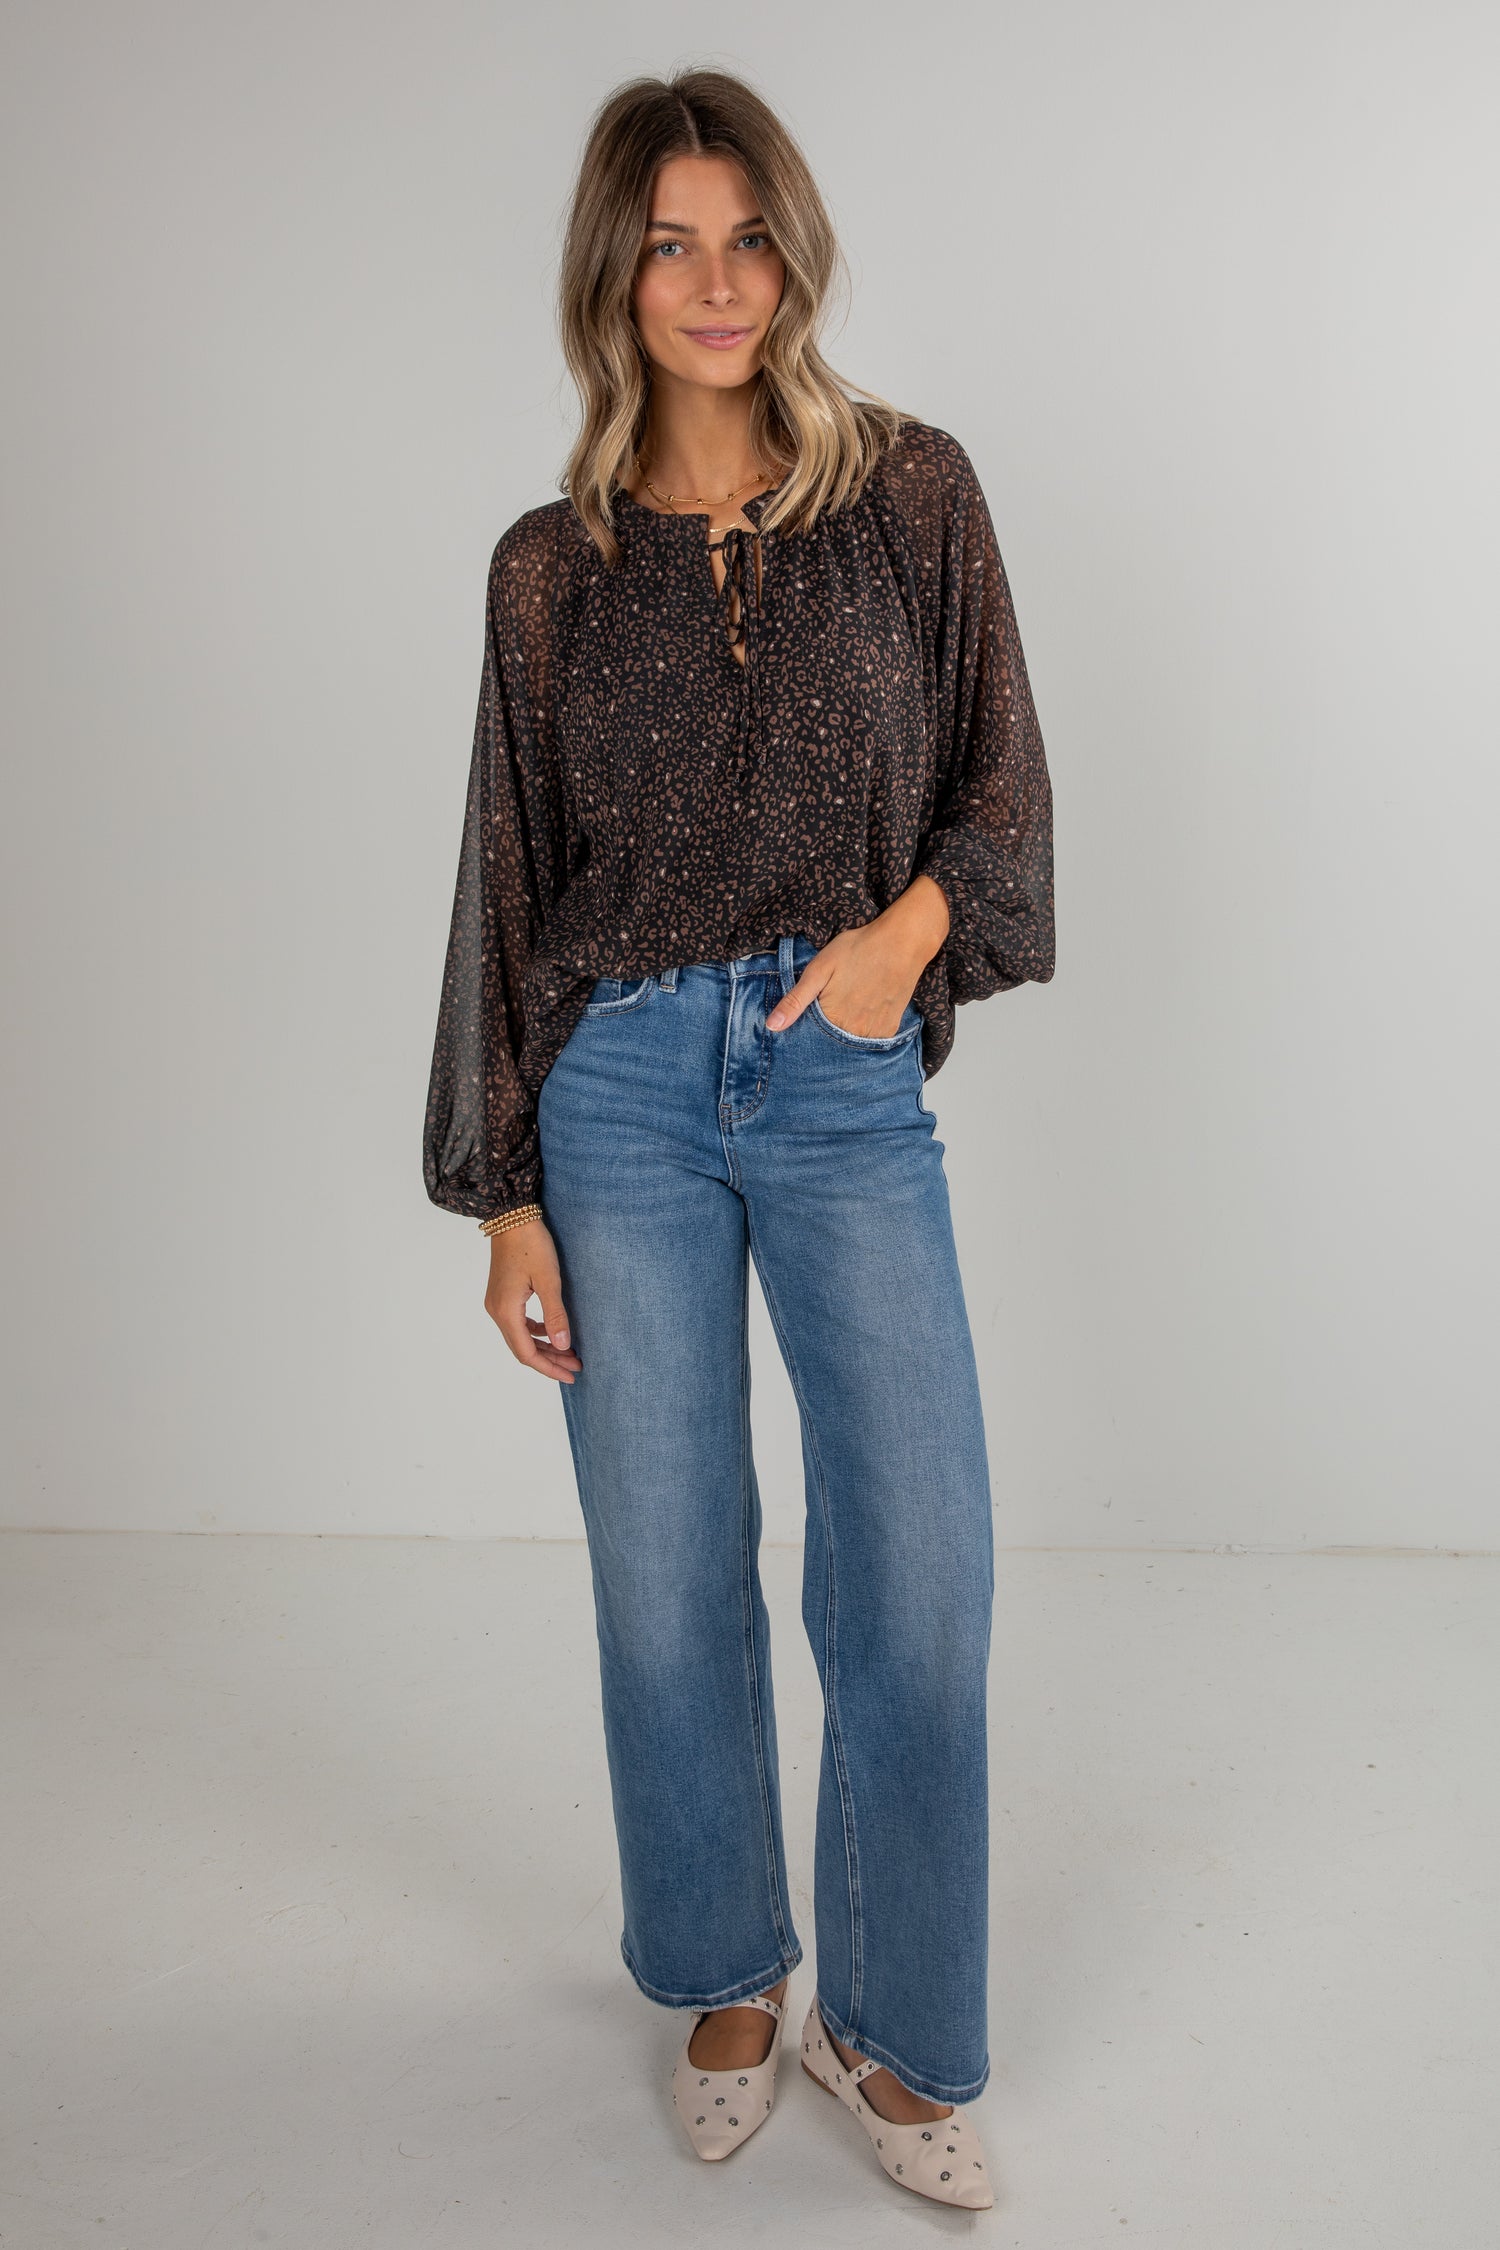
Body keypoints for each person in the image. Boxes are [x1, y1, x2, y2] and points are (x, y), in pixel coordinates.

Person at [422, 67, 1055, 2211]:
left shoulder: (915, 500)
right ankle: (720, 1974)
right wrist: (503, 1185)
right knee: (668, 1568)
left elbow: (1005, 798)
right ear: (616, 275)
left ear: (794, 249)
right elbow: (508, 880)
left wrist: (897, 946)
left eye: (748, 234)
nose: (715, 280)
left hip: (841, 1063)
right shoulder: (550, 567)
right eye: (671, 242)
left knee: (924, 1567)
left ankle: (895, 2023)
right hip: (612, 1093)